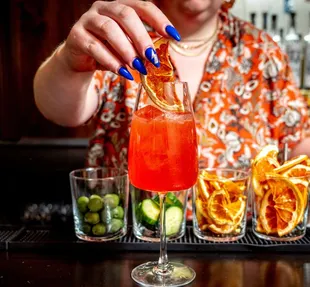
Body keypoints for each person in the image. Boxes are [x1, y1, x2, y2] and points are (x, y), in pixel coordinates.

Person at [33, 0, 310, 170]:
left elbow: (298, 145)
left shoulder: (261, 50)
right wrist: (69, 61)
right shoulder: (120, 35)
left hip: (235, 240)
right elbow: (60, 110)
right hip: (131, 239)